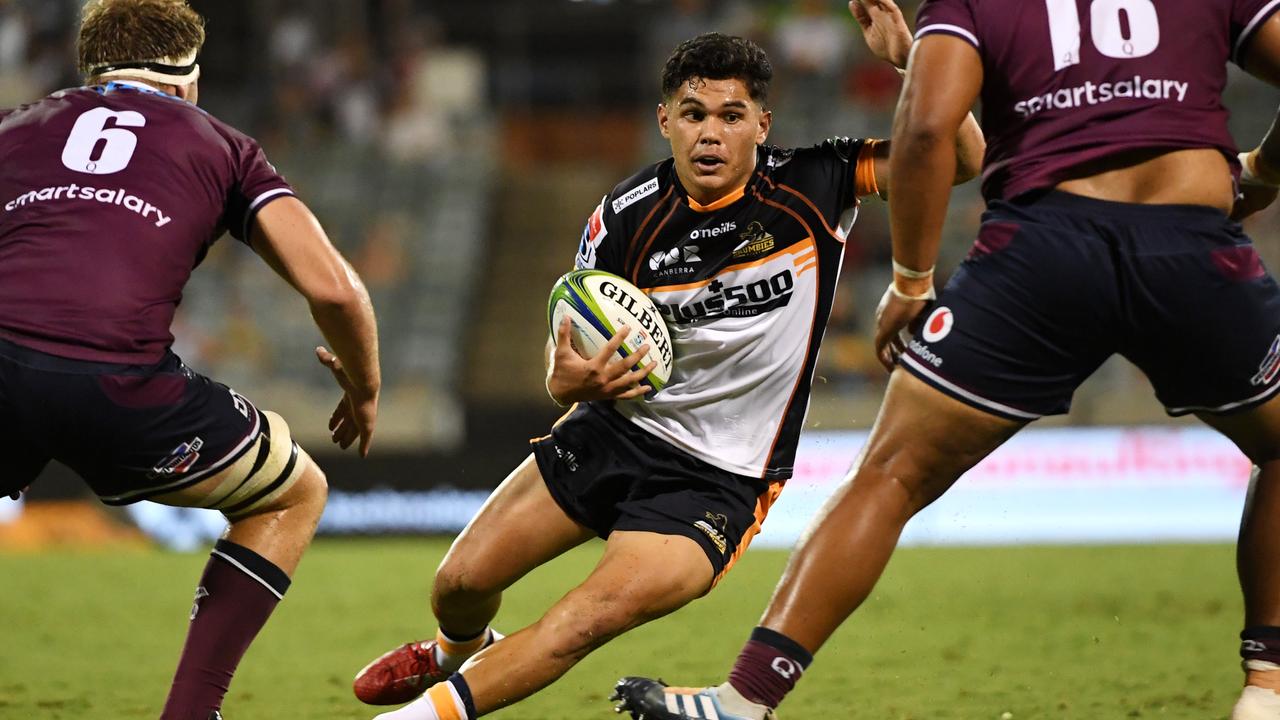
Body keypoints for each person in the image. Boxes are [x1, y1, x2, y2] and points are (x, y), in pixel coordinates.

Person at [610, 0, 1280, 718]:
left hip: (1045, 253)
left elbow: (928, 127)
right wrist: (1265, 172)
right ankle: (1266, 690)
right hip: (1191, 241)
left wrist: (910, 282)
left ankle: (745, 701)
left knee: (891, 475)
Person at [351, 8, 983, 720]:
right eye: (693, 114)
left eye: (731, 115)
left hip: (718, 479)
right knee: (459, 582)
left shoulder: (817, 184)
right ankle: (453, 648)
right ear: (664, 121)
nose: (711, 132)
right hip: (613, 431)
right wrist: (564, 382)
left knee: (580, 619)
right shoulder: (624, 217)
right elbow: (568, 345)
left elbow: (958, 160)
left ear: (762, 126)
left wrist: (911, 58)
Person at [0, 1, 380, 718]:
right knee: (292, 493)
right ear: (185, 81)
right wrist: (364, 388)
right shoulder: (223, 145)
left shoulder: (14, 125)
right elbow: (335, 287)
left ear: (94, 68)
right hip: (117, 383)